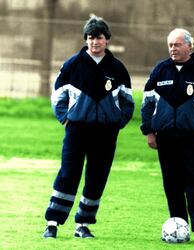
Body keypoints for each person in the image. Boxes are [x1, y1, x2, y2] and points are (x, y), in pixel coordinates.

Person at [43, 15, 134, 239]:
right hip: (77, 130)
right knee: (68, 174)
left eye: (99, 38)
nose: (95, 42)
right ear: (86, 39)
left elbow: (128, 101)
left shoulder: (118, 69)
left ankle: (82, 224)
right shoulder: (72, 65)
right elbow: (58, 96)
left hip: (105, 133)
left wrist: (117, 123)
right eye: (91, 38)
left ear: (107, 40)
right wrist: (65, 118)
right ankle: (53, 222)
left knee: (97, 177)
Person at [140, 28, 194, 244]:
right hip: (166, 138)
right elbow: (147, 104)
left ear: (189, 46)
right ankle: (179, 226)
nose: (172, 49)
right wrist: (149, 131)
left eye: (177, 44)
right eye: (170, 45)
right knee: (172, 184)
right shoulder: (160, 70)